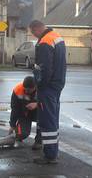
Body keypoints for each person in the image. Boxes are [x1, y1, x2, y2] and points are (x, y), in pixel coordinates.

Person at [28, 20, 67, 165]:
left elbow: (44, 69)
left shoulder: (45, 42)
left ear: (36, 29)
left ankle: (50, 155)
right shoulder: (57, 37)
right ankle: (53, 151)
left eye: (33, 33)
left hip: (48, 87)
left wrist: (40, 85)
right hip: (57, 84)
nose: (34, 36)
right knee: (53, 118)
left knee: (47, 120)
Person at [8, 76, 42, 149]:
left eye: (29, 90)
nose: (26, 92)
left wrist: (36, 104)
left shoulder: (41, 89)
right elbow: (14, 109)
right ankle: (18, 136)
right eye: (25, 89)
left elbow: (48, 103)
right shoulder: (18, 90)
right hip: (24, 113)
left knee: (43, 119)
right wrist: (12, 125)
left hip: (38, 112)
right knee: (22, 134)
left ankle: (39, 141)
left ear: (35, 87)